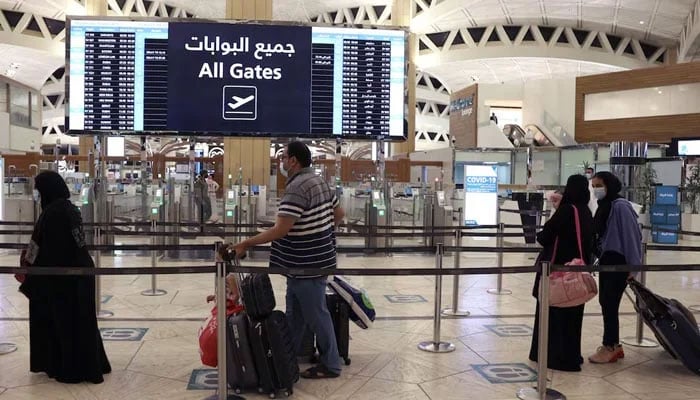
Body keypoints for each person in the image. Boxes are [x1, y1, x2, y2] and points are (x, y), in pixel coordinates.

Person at [228, 141, 344, 379]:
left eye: (283, 157)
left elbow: (280, 230)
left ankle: (331, 364)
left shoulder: (297, 187)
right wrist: (322, 234)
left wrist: (246, 243)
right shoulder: (319, 181)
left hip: (306, 264)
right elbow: (339, 214)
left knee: (316, 314)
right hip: (310, 261)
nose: (280, 162)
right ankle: (285, 357)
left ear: (293, 161)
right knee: (295, 315)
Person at [19, 171, 111, 384]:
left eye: (39, 190)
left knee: (65, 322)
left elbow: (49, 247)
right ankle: (91, 364)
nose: (37, 195)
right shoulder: (68, 209)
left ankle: (71, 368)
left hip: (62, 277)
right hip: (78, 274)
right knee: (82, 321)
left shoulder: (53, 213)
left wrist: (31, 266)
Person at [529, 174, 594, 372]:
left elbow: (544, 236)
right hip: (578, 272)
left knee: (554, 312)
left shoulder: (567, 210)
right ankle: (571, 354)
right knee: (573, 314)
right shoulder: (585, 211)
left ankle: (552, 356)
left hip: (557, 272)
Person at [588, 171, 642, 363]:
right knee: (606, 303)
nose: (596, 190)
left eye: (599, 185)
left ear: (609, 185)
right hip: (607, 262)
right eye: (593, 186)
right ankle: (614, 345)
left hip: (618, 263)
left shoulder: (620, 207)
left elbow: (631, 236)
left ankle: (610, 346)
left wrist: (633, 267)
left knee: (610, 303)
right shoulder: (604, 206)